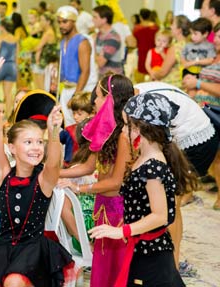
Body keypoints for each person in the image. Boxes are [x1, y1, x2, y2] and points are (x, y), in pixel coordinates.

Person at [0, 58, 73, 287]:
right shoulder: (3, 172)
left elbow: (53, 162)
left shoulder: (44, 179)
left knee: (14, 281)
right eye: (28, 142)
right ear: (12, 148)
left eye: (38, 142)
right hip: (2, 246)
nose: (35, 147)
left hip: (33, 250)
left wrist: (53, 132)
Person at [89, 92, 198, 286]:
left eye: (126, 125)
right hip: (142, 248)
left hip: (152, 255)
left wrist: (121, 231)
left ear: (140, 129)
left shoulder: (153, 167)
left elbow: (160, 216)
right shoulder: (143, 158)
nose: (123, 130)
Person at [59, 74, 134, 287]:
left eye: (99, 97)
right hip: (103, 206)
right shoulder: (105, 130)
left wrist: (80, 188)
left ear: (111, 98)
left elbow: (116, 183)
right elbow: (88, 167)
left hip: (119, 210)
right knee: (101, 269)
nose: (95, 102)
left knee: (117, 270)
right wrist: (56, 174)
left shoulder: (123, 136)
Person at [135, 81, 219, 268]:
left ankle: (172, 264)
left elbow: (158, 142)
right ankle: (171, 260)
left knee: (170, 204)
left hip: (197, 142)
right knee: (171, 203)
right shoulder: (138, 92)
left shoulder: (146, 103)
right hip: (188, 137)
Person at [183, 21, 220, 209]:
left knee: (209, 152)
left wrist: (198, 84)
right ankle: (188, 190)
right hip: (203, 109)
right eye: (217, 36)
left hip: (216, 112)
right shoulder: (213, 58)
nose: (217, 40)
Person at [57, 5, 95, 126]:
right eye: (59, 22)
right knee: (66, 126)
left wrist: (75, 96)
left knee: (79, 126)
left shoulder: (82, 42)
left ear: (73, 21)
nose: (61, 25)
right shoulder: (63, 42)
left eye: (64, 22)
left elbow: (85, 71)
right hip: (65, 90)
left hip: (78, 90)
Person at [0, 19, 18, 117]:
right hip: (12, 66)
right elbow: (17, 56)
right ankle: (8, 116)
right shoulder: (15, 39)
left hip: (1, 65)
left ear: (2, 27)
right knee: (8, 94)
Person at [152, 15, 191, 88]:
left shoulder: (176, 47)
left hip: (172, 86)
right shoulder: (189, 44)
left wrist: (154, 74)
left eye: (173, 24)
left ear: (179, 29)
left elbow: (162, 72)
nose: (170, 26)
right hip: (184, 85)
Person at [181, 18, 215, 88]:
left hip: (202, 73)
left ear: (205, 34)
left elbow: (210, 60)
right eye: (191, 33)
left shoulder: (210, 46)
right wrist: (184, 63)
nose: (192, 36)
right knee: (187, 86)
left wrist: (194, 62)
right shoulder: (188, 45)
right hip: (188, 71)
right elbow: (182, 55)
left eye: (195, 34)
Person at [93, 5, 124, 77]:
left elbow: (100, 62)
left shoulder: (113, 38)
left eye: (95, 17)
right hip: (102, 76)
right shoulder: (98, 35)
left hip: (113, 80)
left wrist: (92, 46)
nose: (92, 20)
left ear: (104, 20)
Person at [133, 8, 160, 83]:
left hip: (141, 54)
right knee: (153, 74)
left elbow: (134, 42)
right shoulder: (156, 28)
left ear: (140, 17)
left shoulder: (137, 28)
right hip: (154, 54)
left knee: (141, 77)